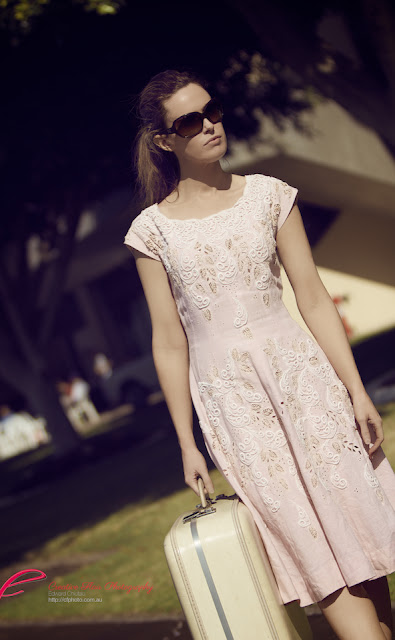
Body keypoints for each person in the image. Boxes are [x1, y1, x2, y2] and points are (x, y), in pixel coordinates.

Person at [123, 69, 395, 639]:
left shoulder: (271, 195)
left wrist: (356, 391)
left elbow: (313, 298)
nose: (209, 126)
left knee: (362, 543)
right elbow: (168, 341)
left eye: (213, 110)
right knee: (309, 542)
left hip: (306, 384)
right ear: (164, 140)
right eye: (190, 121)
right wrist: (186, 442)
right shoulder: (151, 232)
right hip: (237, 408)